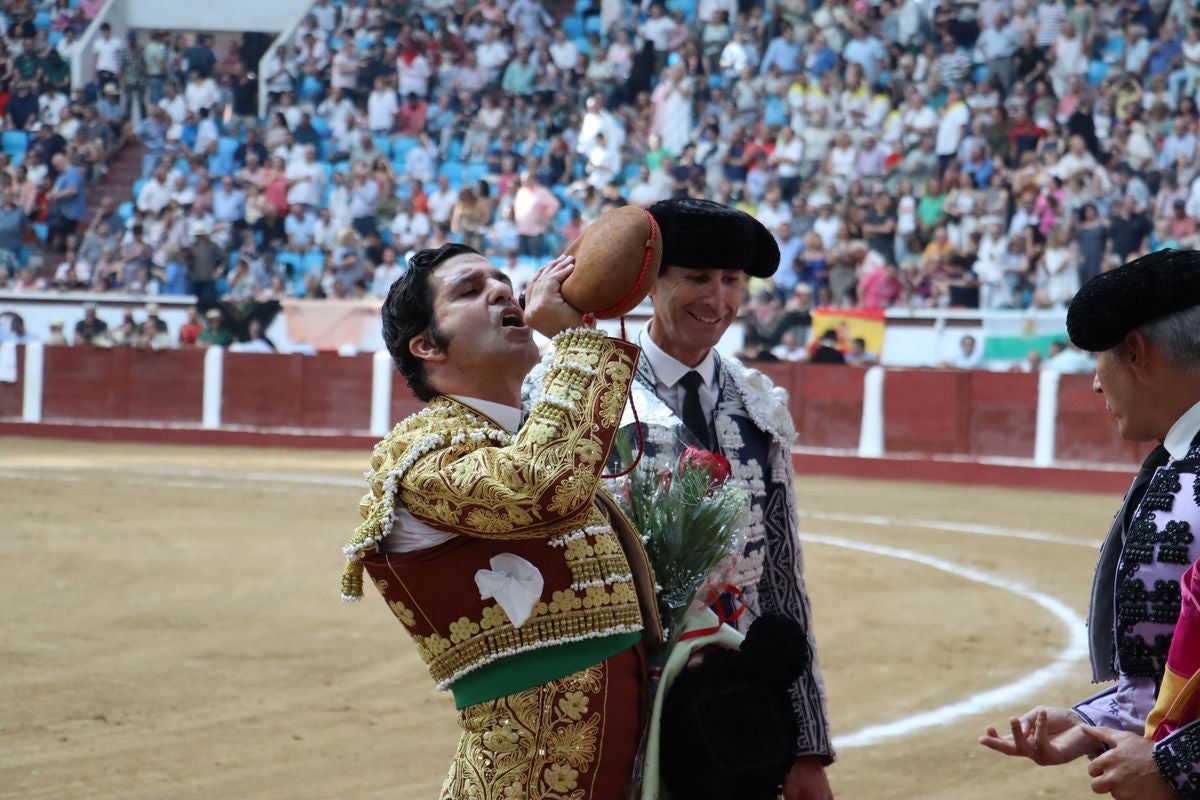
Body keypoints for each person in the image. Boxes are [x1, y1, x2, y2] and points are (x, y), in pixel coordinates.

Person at [340, 244, 660, 799]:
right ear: (426, 346)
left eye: (505, 282)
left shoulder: (524, 434)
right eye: (469, 290)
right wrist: (576, 343)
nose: (503, 293)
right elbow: (541, 487)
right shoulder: (417, 455)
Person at [627, 198, 835, 798]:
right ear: (652, 283)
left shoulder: (756, 404)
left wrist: (806, 747)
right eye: (696, 278)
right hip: (624, 689)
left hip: (736, 698)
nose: (717, 301)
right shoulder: (595, 392)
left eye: (731, 281)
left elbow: (782, 584)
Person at [979, 249, 1200, 796]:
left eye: (1098, 359)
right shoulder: (1176, 460)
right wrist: (1092, 721)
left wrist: (1175, 763)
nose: (1097, 386)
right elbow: (1166, 673)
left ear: (1137, 352)